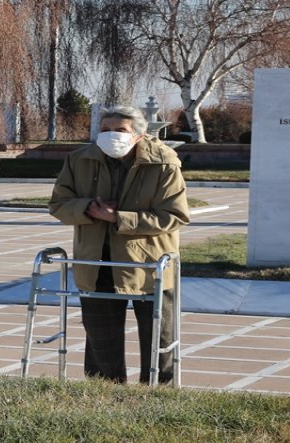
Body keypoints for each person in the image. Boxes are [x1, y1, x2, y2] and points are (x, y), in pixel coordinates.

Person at [48, 105, 190, 384]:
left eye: (120, 131)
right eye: (105, 130)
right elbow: (58, 205)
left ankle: (158, 394)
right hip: (96, 261)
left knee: (158, 336)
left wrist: (119, 218)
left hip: (148, 264)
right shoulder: (79, 160)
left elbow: (174, 215)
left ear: (138, 135)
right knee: (101, 337)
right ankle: (104, 391)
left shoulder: (164, 161)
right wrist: (88, 207)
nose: (111, 136)